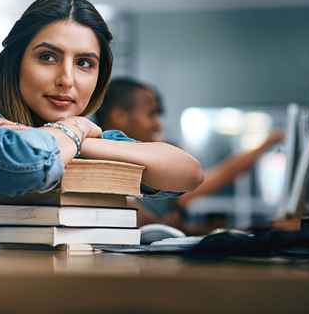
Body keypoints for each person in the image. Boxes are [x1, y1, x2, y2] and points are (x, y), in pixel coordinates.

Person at [0, 0, 204, 252]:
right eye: (47, 57)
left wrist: (79, 137)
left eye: (84, 63)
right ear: (16, 60)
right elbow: (29, 166)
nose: (66, 80)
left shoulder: (73, 139)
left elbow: (187, 173)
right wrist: (73, 129)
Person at [94, 77, 284, 231]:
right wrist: (269, 143)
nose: (158, 124)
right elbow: (218, 176)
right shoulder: (96, 167)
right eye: (151, 114)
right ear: (119, 115)